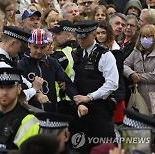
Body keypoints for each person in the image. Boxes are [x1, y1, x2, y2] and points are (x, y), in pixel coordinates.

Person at [71, 20, 119, 153]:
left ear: (94, 35)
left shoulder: (105, 55)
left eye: (84, 37)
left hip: (99, 110)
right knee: (81, 148)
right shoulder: (78, 54)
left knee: (106, 147)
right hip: (80, 110)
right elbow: (74, 79)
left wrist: (90, 97)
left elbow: (112, 84)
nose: (80, 40)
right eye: (78, 37)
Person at [18, 28, 78, 112]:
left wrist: (78, 102)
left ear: (47, 45)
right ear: (29, 45)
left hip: (50, 110)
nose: (38, 51)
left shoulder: (52, 62)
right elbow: (20, 89)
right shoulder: (22, 64)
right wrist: (36, 94)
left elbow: (67, 83)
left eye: (42, 47)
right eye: (35, 47)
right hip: (30, 111)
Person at [0, 67, 40, 150]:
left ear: (19, 88)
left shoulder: (28, 121)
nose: (5, 92)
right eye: (1, 87)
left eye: (10, 87)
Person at [0, 26, 42, 103]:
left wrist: (33, 89)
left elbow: (23, 81)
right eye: (20, 46)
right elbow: (16, 95)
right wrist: (34, 89)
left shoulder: (4, 58)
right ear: (13, 43)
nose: (20, 50)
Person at [123, 24, 155, 115]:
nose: (145, 39)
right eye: (143, 36)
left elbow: (153, 76)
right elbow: (125, 65)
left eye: (149, 37)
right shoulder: (136, 51)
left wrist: (138, 77)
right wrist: (131, 74)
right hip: (139, 96)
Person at [50, 20, 78, 115]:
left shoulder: (61, 53)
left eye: (58, 34)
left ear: (68, 36)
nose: (54, 37)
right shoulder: (81, 49)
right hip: (78, 98)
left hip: (64, 101)